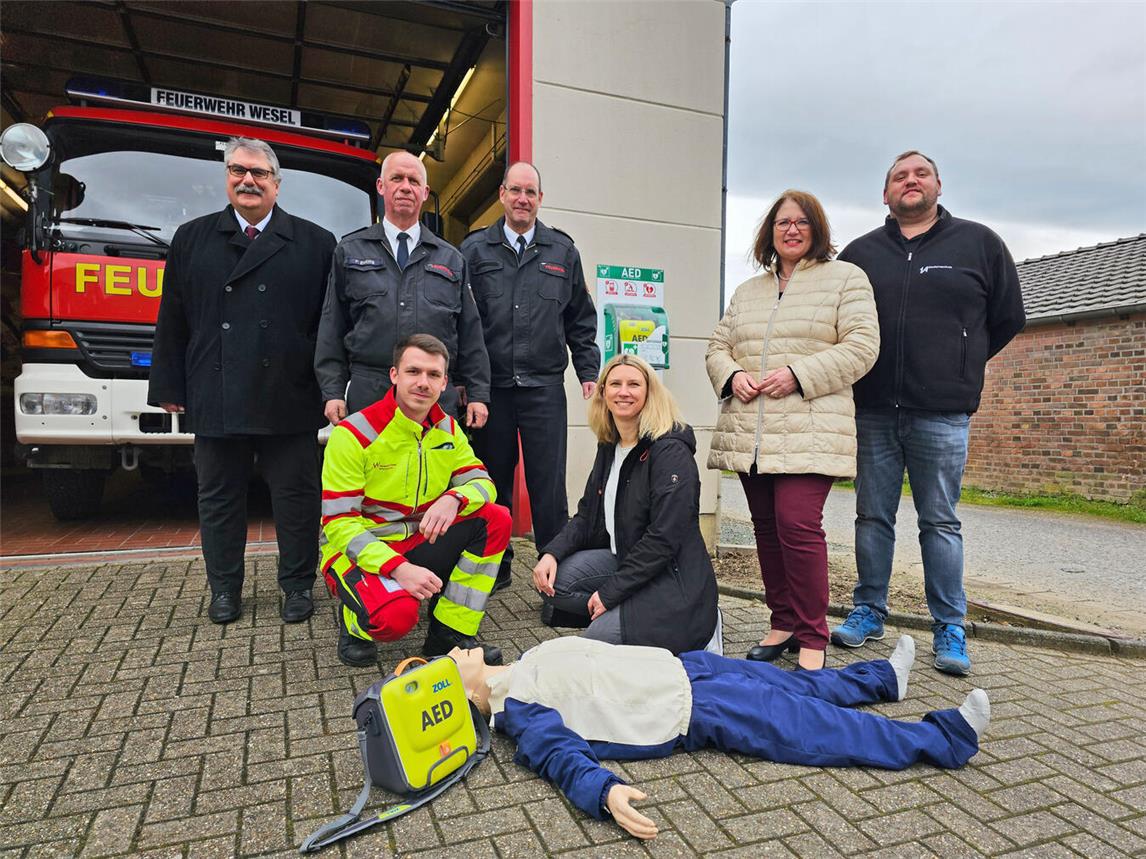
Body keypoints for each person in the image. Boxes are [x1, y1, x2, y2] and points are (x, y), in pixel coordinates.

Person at [449, 635, 989, 840]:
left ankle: (881, 679)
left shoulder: (522, 662)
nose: (455, 652)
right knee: (814, 726)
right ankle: (945, 739)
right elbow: (558, 754)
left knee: (795, 682)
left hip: (688, 668)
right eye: (448, 664)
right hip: (692, 709)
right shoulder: (514, 709)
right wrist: (603, 791)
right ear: (460, 696)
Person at [830, 152, 1026, 677]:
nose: (910, 181)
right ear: (885, 193)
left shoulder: (979, 243)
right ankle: (869, 609)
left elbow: (1008, 318)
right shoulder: (860, 253)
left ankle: (949, 626)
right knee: (873, 516)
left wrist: (958, 364)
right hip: (872, 410)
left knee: (939, 520)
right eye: (899, 176)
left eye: (920, 174)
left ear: (938, 184)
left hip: (942, 414)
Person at [149, 137, 334, 626]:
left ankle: (297, 586)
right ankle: (225, 589)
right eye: (237, 171)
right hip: (215, 389)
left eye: (258, 172)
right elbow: (174, 318)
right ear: (226, 178)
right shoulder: (191, 238)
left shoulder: (316, 243)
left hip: (289, 392)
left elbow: (329, 325)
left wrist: (330, 386)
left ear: (277, 182)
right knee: (219, 498)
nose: (247, 180)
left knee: (296, 500)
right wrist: (168, 386)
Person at [706, 190, 879, 670]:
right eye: (782, 222)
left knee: (797, 525)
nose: (791, 229)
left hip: (811, 428)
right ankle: (781, 621)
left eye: (802, 221)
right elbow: (718, 346)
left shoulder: (847, 279)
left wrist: (798, 375)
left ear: (817, 229)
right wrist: (731, 375)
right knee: (766, 529)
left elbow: (864, 347)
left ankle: (812, 635)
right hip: (753, 432)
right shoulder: (748, 291)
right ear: (770, 231)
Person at [320, 334, 511, 668]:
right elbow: (339, 524)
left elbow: (483, 483)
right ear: (395, 375)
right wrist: (399, 569)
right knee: (395, 620)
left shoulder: (448, 429)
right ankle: (355, 624)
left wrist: (454, 498)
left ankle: (449, 633)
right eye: (414, 371)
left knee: (496, 518)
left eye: (433, 375)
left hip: (417, 538)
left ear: (444, 383)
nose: (423, 382)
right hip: (360, 548)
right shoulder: (353, 435)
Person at [463, 161, 600, 593]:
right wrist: (466, 383)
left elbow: (580, 318)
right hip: (492, 391)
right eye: (515, 190)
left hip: (543, 389)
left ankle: (553, 572)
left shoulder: (562, 252)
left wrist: (588, 372)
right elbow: (461, 322)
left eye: (531, 192)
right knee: (491, 480)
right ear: (502, 194)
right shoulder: (474, 251)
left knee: (548, 487)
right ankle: (495, 565)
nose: (523, 199)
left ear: (540, 199)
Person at [532, 354, 719, 654]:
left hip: (671, 576)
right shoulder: (610, 445)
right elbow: (585, 515)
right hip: (628, 560)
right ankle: (628, 608)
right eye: (615, 384)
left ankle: (680, 623)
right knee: (557, 584)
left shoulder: (669, 450)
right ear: (603, 393)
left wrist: (610, 593)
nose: (624, 391)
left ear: (649, 393)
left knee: (596, 642)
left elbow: (663, 538)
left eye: (634, 384)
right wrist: (552, 553)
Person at [315, 151, 490, 427]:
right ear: (381, 186)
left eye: (413, 181)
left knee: (431, 469)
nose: (405, 186)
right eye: (396, 178)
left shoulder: (451, 258)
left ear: (424, 192)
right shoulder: (350, 251)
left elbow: (470, 332)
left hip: (432, 395)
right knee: (371, 469)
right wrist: (333, 391)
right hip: (369, 392)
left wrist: (478, 394)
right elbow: (331, 326)